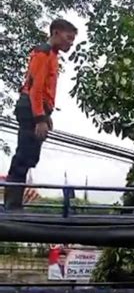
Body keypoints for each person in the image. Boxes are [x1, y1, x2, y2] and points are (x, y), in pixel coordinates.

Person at [4, 19, 77, 211]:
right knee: (23, 156)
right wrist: (39, 118)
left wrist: (47, 115)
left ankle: (14, 203)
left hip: (38, 108)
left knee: (29, 157)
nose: (70, 43)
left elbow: (44, 90)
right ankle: (12, 206)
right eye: (68, 38)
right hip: (31, 107)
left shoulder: (52, 55)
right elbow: (35, 89)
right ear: (56, 33)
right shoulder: (43, 52)